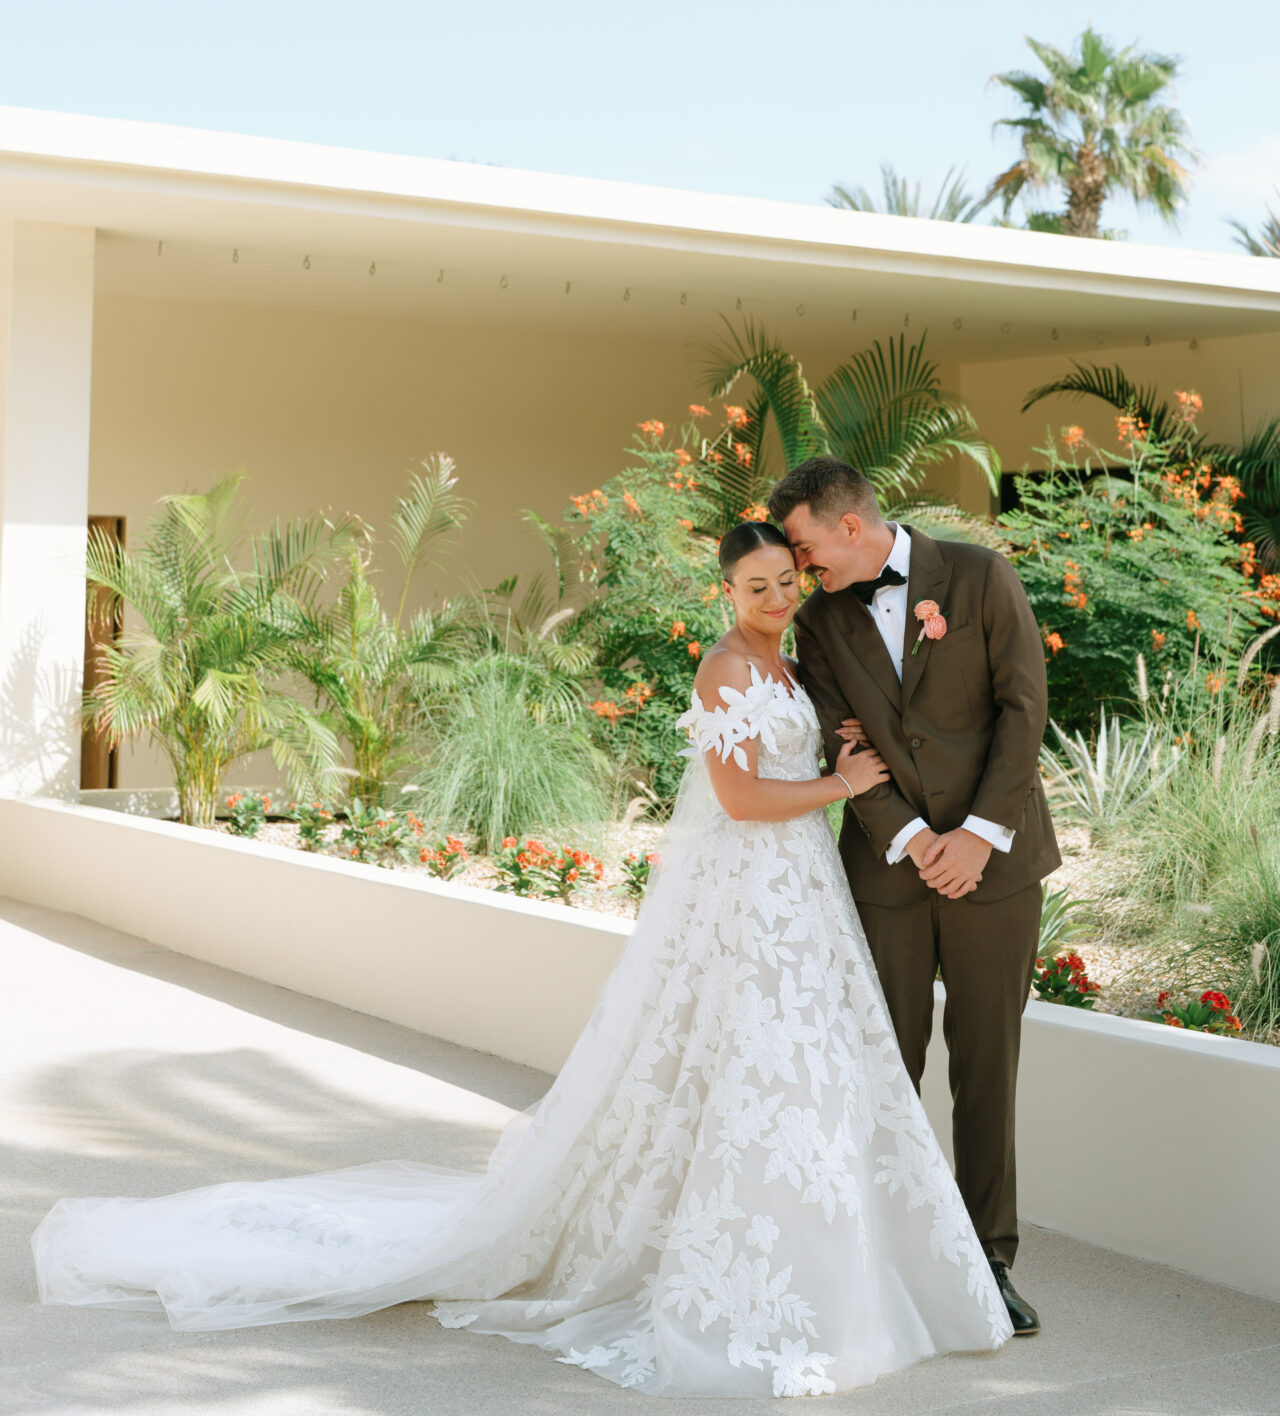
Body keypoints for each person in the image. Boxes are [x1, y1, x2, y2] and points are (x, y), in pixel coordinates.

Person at [33, 521, 1012, 1398]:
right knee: (748, 1061)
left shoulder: (790, 663)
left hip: (800, 899)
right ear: (724, 592)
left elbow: (791, 763)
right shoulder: (722, 668)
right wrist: (837, 782)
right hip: (750, 892)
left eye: (782, 583)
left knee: (794, 1068)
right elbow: (744, 801)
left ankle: (831, 1259)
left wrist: (832, 756)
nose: (773, 598)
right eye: (755, 586)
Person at [768, 458, 1060, 1337]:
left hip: (995, 867)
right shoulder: (819, 622)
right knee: (886, 1064)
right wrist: (906, 837)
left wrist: (976, 836)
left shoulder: (978, 575)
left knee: (987, 1065)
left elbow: (1023, 707)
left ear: (848, 525)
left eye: (805, 545)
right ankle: (884, 1254)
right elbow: (839, 736)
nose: (801, 564)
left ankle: (986, 1262)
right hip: (888, 872)